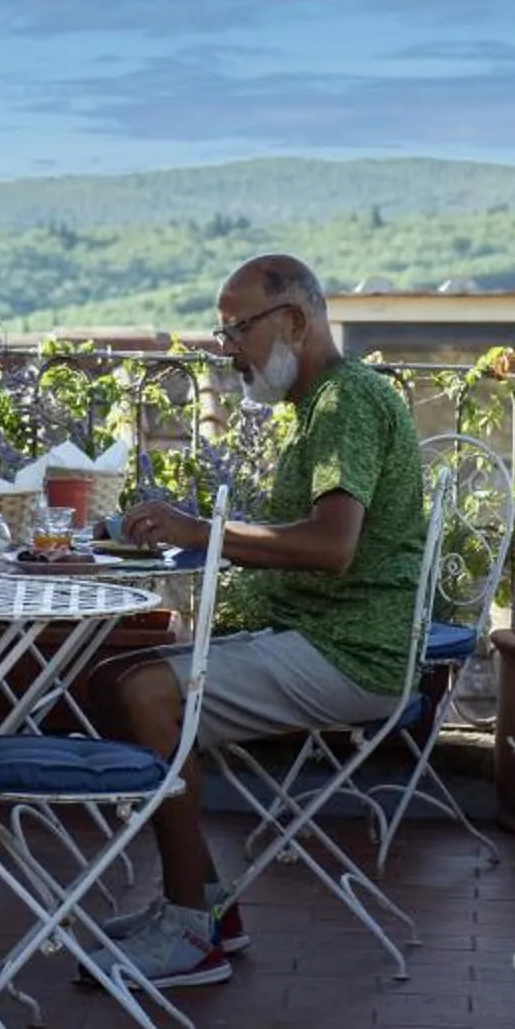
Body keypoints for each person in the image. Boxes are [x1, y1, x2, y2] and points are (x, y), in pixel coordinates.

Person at [82, 253, 427, 987]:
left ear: (295, 321)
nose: (225, 348)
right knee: (110, 680)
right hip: (321, 639)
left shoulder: (344, 403)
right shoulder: (320, 406)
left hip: (353, 654)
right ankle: (207, 905)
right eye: (222, 330)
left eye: (237, 329)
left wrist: (198, 529)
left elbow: (332, 546)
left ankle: (189, 931)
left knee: (144, 692)